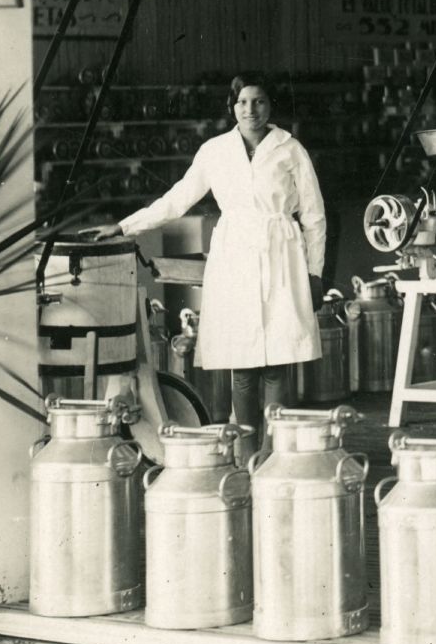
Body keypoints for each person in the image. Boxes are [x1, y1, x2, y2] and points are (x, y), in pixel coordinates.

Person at [109, 73, 327, 430]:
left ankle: (276, 454)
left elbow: (315, 216)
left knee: (278, 362)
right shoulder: (215, 151)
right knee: (241, 364)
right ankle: (246, 453)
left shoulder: (290, 149)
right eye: (242, 102)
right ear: (232, 107)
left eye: (258, 101)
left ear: (270, 106)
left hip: (282, 256)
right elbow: (176, 200)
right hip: (235, 257)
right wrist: (123, 226)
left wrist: (315, 272)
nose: (250, 109)